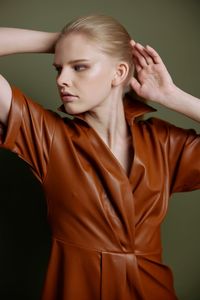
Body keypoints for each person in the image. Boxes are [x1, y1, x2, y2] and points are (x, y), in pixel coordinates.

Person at [0, 14, 200, 300]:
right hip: (76, 289)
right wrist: (61, 42)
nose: (62, 80)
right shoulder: (48, 136)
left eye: (79, 66)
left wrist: (172, 96)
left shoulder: (165, 143)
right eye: (58, 68)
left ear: (118, 73)